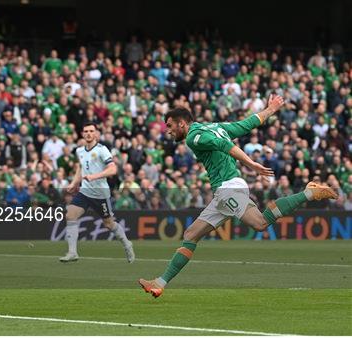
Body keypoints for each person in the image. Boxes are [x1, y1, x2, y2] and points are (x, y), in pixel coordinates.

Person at [139, 95, 338, 298]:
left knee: (260, 223)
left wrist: (251, 164)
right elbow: (246, 124)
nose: (168, 130)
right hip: (222, 194)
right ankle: (159, 283)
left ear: (182, 123)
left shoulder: (194, 136)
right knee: (191, 235)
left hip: (229, 188)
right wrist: (270, 109)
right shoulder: (215, 126)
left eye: (170, 125)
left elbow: (225, 146)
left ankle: (309, 192)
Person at [60, 122, 135, 263]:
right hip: (85, 192)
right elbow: (80, 168)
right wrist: (74, 182)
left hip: (100, 194)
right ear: (83, 134)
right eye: (86, 131)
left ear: (95, 134)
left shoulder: (102, 150)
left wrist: (94, 176)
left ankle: (126, 243)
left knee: (109, 224)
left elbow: (113, 169)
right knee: (70, 215)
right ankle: (72, 252)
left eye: (91, 131)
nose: (88, 133)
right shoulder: (79, 151)